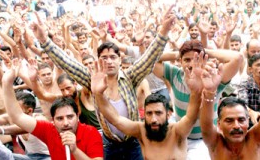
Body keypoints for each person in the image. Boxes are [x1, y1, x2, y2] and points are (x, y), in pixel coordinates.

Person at [30, 5, 176, 160]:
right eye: (104, 58)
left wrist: (164, 31)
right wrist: (44, 40)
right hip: (109, 143)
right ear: (98, 60)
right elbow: (67, 63)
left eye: (113, 57)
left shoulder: (130, 77)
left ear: (120, 60)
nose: (109, 61)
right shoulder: (91, 79)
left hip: (133, 142)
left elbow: (149, 58)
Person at [91, 50, 220, 159]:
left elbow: (191, 116)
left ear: (168, 114)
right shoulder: (141, 131)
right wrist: (98, 94)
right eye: (149, 113)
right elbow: (115, 119)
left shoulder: (178, 131)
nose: (153, 119)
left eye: (158, 113)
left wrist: (196, 91)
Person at [153, 39, 243, 160]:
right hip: (180, 134)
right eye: (187, 60)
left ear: (204, 59)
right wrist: (176, 53)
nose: (191, 64)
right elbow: (150, 61)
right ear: (180, 61)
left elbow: (237, 58)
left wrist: (206, 52)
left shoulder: (213, 78)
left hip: (204, 140)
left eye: (196, 59)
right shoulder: (174, 74)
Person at [2, 59, 103, 160]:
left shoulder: (91, 132)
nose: (66, 123)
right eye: (59, 118)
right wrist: (7, 82)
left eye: (70, 117)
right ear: (53, 120)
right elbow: (18, 116)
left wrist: (75, 150)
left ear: (77, 116)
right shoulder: (49, 130)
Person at [199, 42, 260, 159]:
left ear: (248, 120)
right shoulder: (215, 142)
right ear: (219, 124)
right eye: (229, 121)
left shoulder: (255, 138)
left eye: (241, 120)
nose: (236, 126)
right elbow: (206, 125)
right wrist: (209, 92)